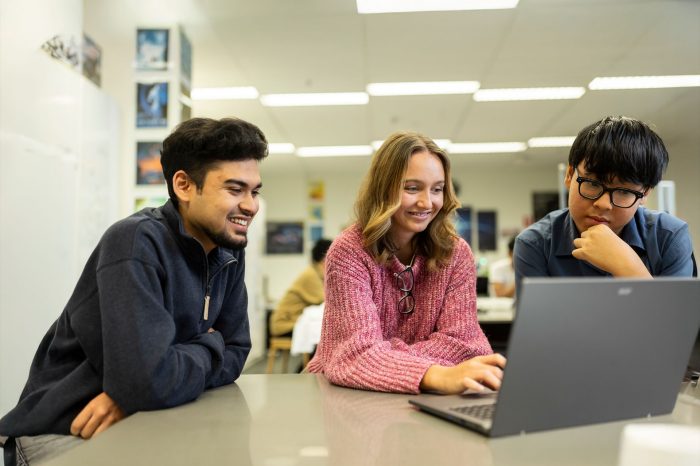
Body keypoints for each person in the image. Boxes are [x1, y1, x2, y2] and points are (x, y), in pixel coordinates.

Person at [0, 117, 267, 466]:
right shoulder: (135, 241)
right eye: (235, 190)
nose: (250, 205)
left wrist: (154, 381)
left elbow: (237, 351)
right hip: (68, 429)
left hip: (143, 417)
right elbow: (149, 382)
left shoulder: (229, 251)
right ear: (184, 186)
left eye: (254, 191)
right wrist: (211, 344)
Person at [306, 131, 506, 395]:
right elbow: (356, 356)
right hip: (345, 396)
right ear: (384, 189)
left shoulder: (456, 253)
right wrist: (436, 374)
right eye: (412, 188)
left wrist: (384, 357)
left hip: (423, 399)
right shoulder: (349, 251)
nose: (427, 202)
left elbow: (469, 347)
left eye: (437, 189)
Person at [514, 116, 695, 293]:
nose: (603, 204)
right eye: (593, 184)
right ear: (569, 175)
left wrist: (626, 265)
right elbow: (542, 323)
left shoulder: (669, 237)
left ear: (645, 193)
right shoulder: (535, 244)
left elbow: (677, 321)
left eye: (624, 192)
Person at [269, 238, 333, 337]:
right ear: (326, 258)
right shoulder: (311, 275)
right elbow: (327, 302)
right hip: (284, 325)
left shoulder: (315, 273)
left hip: (292, 321)